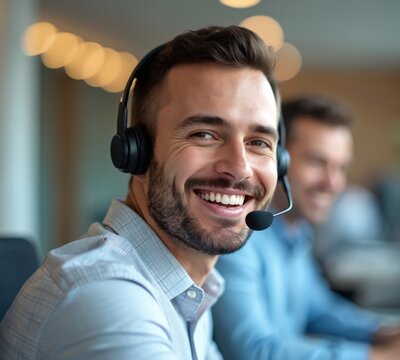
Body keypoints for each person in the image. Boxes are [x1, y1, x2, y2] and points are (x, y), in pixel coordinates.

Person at [0, 25, 282, 359]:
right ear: (137, 153)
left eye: (259, 142)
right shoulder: (106, 296)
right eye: (204, 134)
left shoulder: (189, 288)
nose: (240, 167)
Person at [212, 95, 400, 360]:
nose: (332, 183)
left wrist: (384, 332)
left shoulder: (295, 232)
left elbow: (320, 310)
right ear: (275, 160)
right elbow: (252, 351)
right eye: (317, 162)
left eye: (341, 168)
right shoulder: (237, 239)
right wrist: (382, 356)